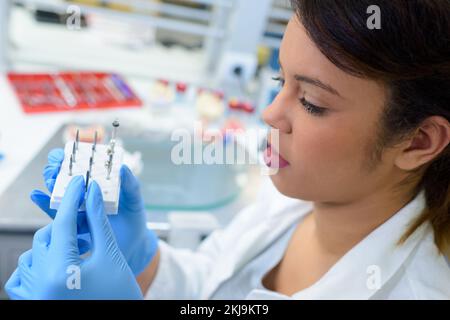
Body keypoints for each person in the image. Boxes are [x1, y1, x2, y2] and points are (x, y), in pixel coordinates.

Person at [5, 0, 450, 299]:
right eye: (280, 81)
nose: (271, 114)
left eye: (312, 102)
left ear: (418, 141)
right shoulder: (289, 198)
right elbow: (214, 290)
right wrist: (144, 261)